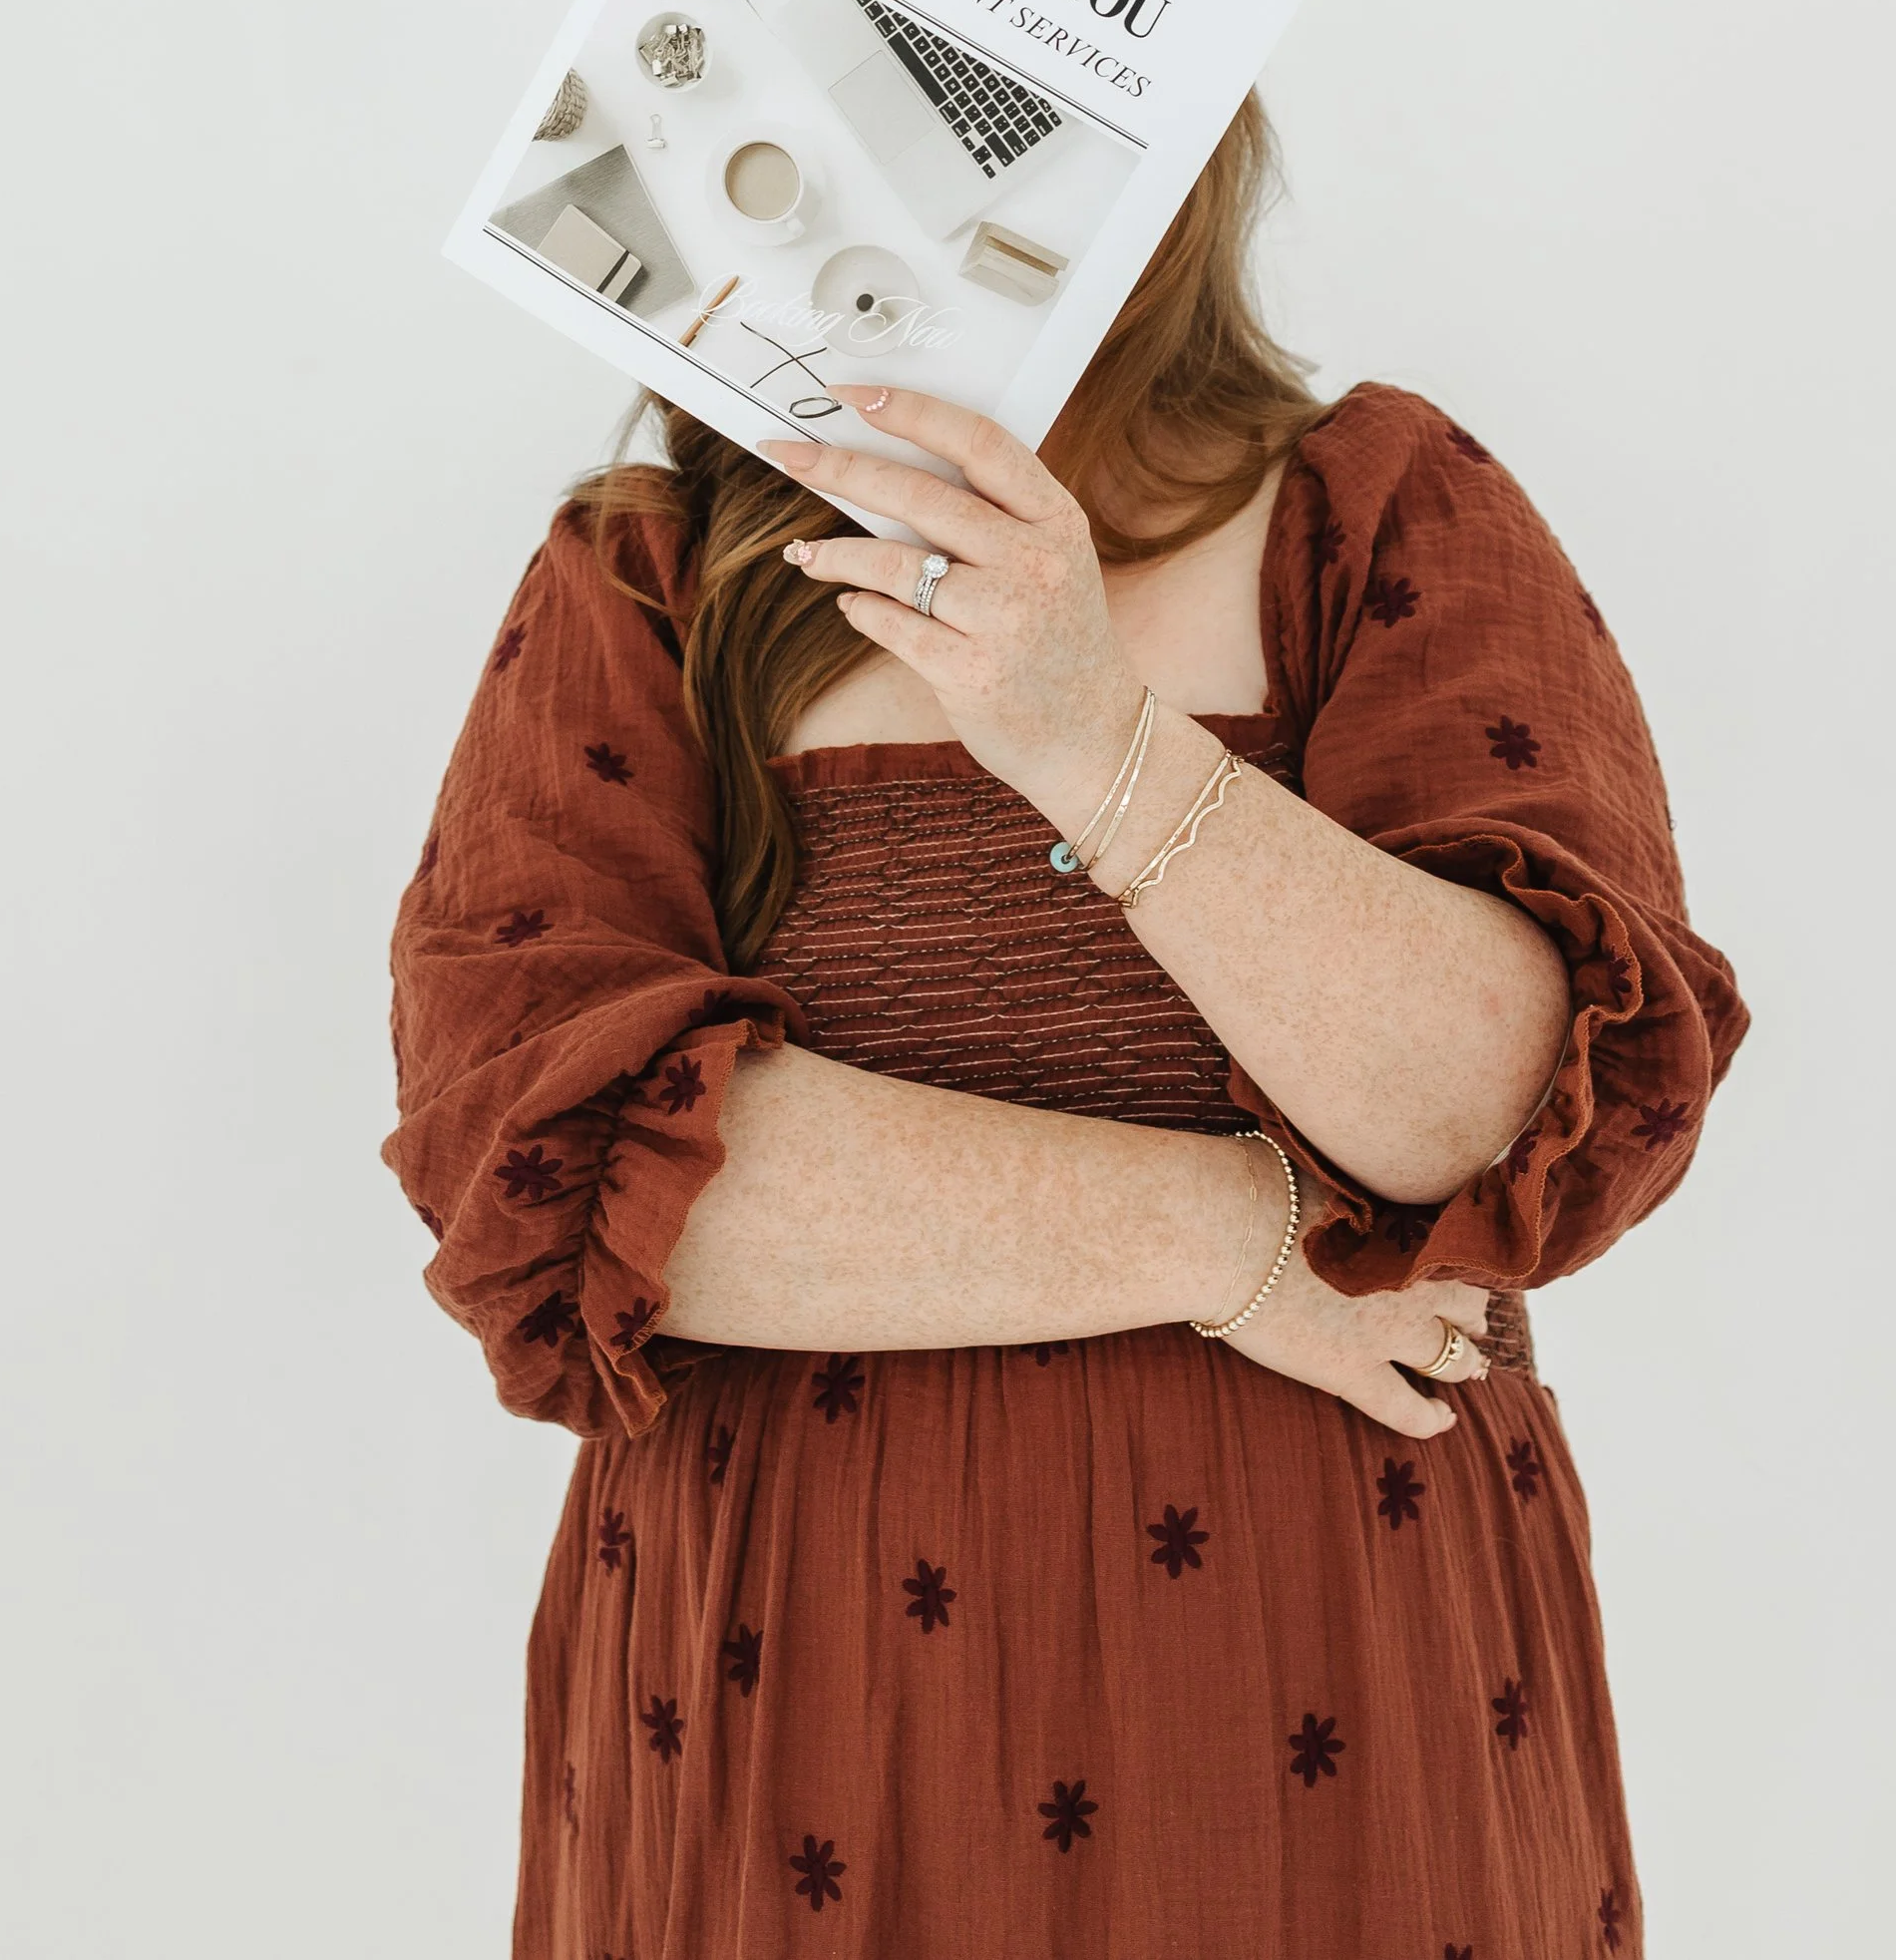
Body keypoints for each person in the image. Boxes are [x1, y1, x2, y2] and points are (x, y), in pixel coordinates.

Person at [384, 98, 1747, 1957]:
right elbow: (567, 1174)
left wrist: (1091, 736)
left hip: (1344, 1718)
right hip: (802, 1716)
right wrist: (1239, 1237)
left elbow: (1494, 1117)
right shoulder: (652, 568)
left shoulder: (1385, 506)